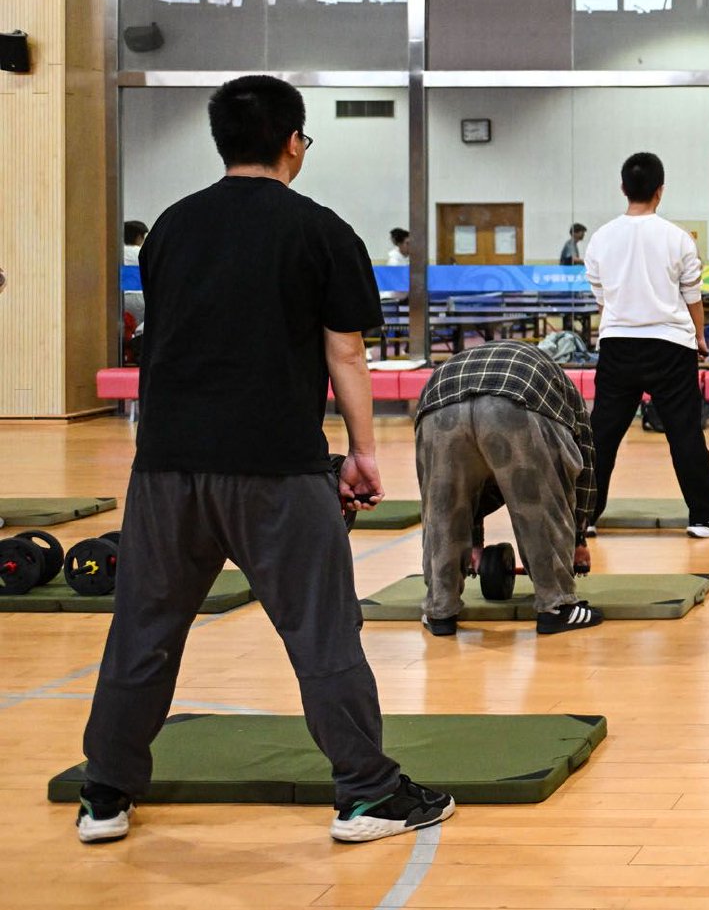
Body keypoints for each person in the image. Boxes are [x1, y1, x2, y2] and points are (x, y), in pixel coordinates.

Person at [78, 74, 453, 847]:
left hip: (165, 469)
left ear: (222, 141)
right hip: (277, 469)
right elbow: (345, 351)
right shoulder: (317, 230)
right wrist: (365, 451)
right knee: (323, 632)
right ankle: (369, 793)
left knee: (143, 628)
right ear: (292, 142)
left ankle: (105, 793)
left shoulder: (171, 230)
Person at [584, 153, 709, 539]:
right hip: (671, 347)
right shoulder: (677, 239)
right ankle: (705, 516)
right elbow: (693, 298)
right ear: (660, 191)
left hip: (618, 345)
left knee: (601, 434)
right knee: (685, 432)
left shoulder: (600, 239)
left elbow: (602, 301)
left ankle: (582, 516)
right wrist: (701, 339)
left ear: (624, 189)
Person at [414, 340, 604, 636]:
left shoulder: (463, 362)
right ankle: (558, 607)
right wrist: (579, 537)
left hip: (440, 401)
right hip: (519, 398)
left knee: (443, 507)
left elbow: (461, 491)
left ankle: (439, 611)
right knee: (538, 504)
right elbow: (585, 468)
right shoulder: (565, 391)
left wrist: (474, 543)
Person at [120, 220, 148, 339]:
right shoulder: (142, 252)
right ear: (138, 237)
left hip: (122, 297)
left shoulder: (118, 252)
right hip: (141, 298)